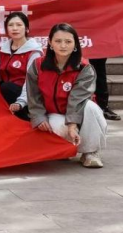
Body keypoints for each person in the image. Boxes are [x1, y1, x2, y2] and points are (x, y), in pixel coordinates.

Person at [54, 0, 123, 122]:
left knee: (99, 65)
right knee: (74, 64)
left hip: (100, 23)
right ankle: (73, 106)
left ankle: (103, 106)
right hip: (76, 25)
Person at [26, 23, 108, 168]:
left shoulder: (84, 68)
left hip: (82, 116)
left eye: (68, 41)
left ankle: (91, 152)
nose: (63, 45)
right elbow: (33, 95)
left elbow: (77, 99)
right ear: (50, 43)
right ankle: (66, 148)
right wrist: (38, 116)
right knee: (54, 127)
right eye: (58, 41)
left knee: (91, 107)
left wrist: (72, 124)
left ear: (75, 44)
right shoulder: (38, 65)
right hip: (55, 115)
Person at [0, 12, 44, 121]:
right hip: (7, 91)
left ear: (27, 29)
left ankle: (26, 117)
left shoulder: (34, 52)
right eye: (11, 25)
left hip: (27, 95)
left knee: (6, 87)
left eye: (19, 25)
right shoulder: (4, 48)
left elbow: (31, 82)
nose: (15, 28)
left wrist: (21, 102)